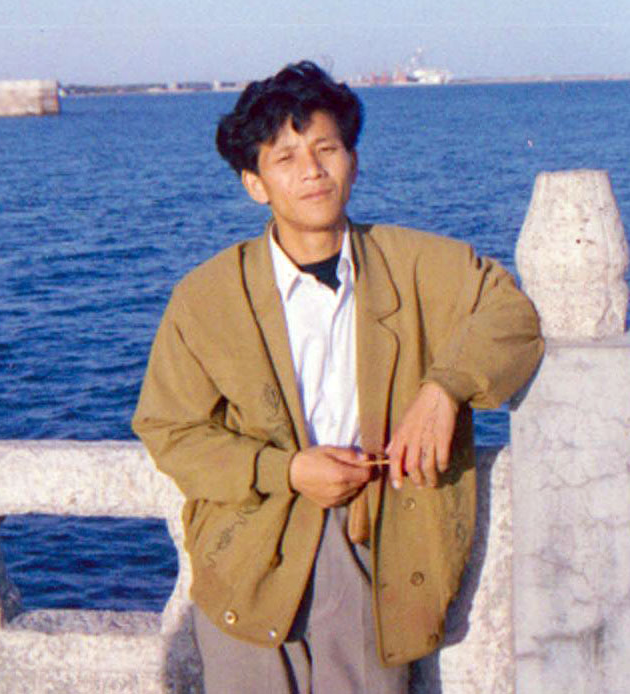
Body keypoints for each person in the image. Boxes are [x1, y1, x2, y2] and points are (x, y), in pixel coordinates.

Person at [132, 61, 543, 693]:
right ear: (254, 184)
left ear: (353, 161)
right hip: (250, 553)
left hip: (376, 547)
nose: (312, 171)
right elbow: (170, 430)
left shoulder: (418, 263)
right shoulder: (205, 297)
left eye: (327, 148)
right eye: (285, 157)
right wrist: (288, 471)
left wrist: (444, 389)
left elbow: (511, 314)